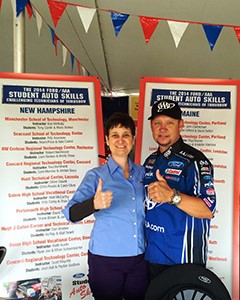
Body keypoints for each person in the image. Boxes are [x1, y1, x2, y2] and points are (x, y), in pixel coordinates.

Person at [62, 112, 149, 300]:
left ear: (133, 139)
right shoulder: (96, 176)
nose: (121, 140)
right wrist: (93, 204)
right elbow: (70, 213)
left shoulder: (143, 173)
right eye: (115, 135)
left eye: (126, 134)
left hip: (139, 258)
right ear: (107, 141)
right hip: (106, 260)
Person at [143, 99, 216, 281]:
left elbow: (208, 210)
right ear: (151, 126)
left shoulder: (195, 161)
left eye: (169, 123)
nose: (162, 128)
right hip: (152, 256)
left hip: (183, 259)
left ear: (180, 125)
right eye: (157, 123)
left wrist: (172, 196)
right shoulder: (150, 161)